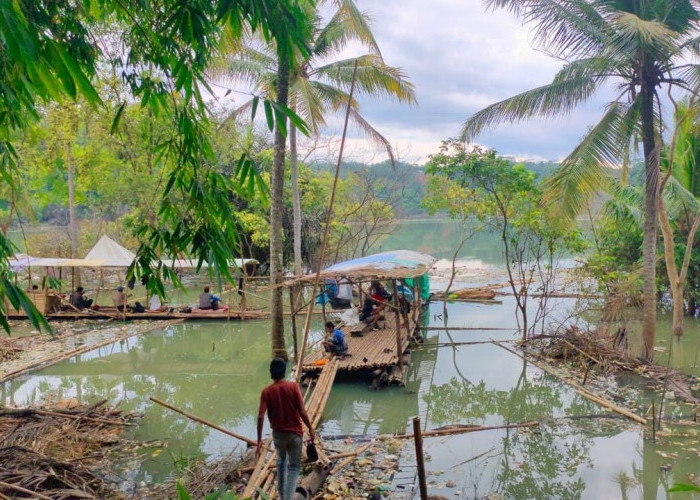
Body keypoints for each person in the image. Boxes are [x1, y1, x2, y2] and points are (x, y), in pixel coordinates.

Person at [257, 358, 315, 500]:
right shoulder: (294, 387)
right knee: (294, 467)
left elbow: (260, 417)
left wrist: (259, 440)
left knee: (281, 462)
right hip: (295, 434)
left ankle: (282, 496)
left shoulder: (266, 391)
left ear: (271, 372)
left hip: (278, 435)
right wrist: (310, 428)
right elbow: (301, 410)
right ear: (284, 371)